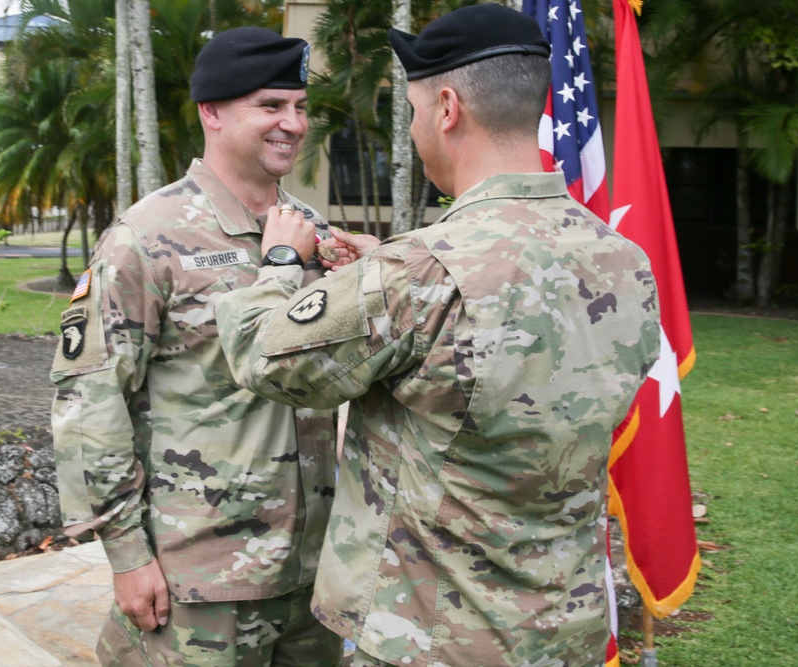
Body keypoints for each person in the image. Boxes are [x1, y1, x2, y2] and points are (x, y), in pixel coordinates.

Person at [215, 5, 662, 666]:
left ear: (448, 108)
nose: (418, 128)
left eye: (417, 111)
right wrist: (386, 264)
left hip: (431, 639)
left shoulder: (418, 272)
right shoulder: (626, 261)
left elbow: (264, 353)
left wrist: (282, 263)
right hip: (565, 631)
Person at [50, 27, 341, 667]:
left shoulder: (312, 232)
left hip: (314, 574)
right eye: (270, 106)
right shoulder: (146, 236)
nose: (292, 124)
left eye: (299, 107)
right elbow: (88, 401)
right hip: (202, 578)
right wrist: (127, 556)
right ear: (211, 111)